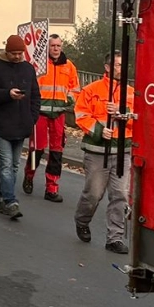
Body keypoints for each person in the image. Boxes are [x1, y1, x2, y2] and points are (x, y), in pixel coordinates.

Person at [75, 54, 135, 254]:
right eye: (117, 65)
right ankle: (82, 220)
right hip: (97, 151)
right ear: (107, 67)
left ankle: (114, 238)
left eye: (123, 64)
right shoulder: (91, 90)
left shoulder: (131, 93)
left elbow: (139, 118)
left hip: (123, 151)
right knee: (93, 194)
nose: (121, 68)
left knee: (120, 195)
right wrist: (100, 131)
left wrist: (122, 112)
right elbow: (81, 115)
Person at [0, 35, 40, 221]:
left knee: (14, 165)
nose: (17, 56)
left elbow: (35, 96)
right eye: (14, 53)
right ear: (7, 52)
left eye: (20, 53)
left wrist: (32, 118)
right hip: (1, 125)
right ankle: (10, 201)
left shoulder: (28, 69)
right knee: (6, 164)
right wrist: (7, 94)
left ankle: (2, 198)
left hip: (22, 125)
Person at [26, 34, 79, 203]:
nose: (55, 49)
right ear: (47, 47)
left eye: (58, 46)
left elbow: (75, 88)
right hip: (40, 113)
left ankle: (52, 188)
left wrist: (69, 99)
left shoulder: (69, 66)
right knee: (37, 149)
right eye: (52, 46)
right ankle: (29, 175)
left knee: (56, 152)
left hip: (59, 114)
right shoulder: (39, 65)